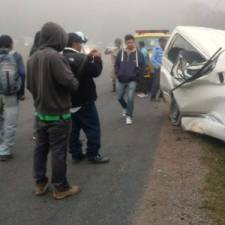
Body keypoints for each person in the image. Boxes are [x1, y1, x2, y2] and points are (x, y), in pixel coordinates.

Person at [27, 22, 80, 200]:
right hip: (58, 115)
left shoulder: (33, 57)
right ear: (58, 38)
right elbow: (71, 84)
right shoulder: (56, 57)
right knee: (58, 152)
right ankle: (61, 187)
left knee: (40, 149)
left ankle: (40, 184)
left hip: (40, 113)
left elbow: (29, 86)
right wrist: (74, 79)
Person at [63, 32, 109, 164]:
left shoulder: (59, 58)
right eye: (80, 43)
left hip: (67, 101)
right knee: (93, 128)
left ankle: (76, 153)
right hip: (84, 100)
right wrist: (97, 58)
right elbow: (96, 71)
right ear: (75, 43)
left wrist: (88, 57)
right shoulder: (81, 58)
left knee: (73, 129)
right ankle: (93, 154)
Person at [0, 35, 24, 161]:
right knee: (10, 122)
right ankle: (5, 150)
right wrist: (21, 93)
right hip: (11, 94)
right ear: (10, 44)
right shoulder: (16, 56)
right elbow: (22, 74)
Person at [115, 34, 145, 125]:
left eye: (132, 42)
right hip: (121, 79)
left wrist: (137, 76)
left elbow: (143, 66)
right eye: (128, 42)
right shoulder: (121, 52)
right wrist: (118, 73)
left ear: (134, 42)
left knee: (130, 98)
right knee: (119, 97)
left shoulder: (139, 54)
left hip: (132, 80)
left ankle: (129, 116)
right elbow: (116, 64)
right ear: (125, 43)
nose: (130, 44)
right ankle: (125, 108)